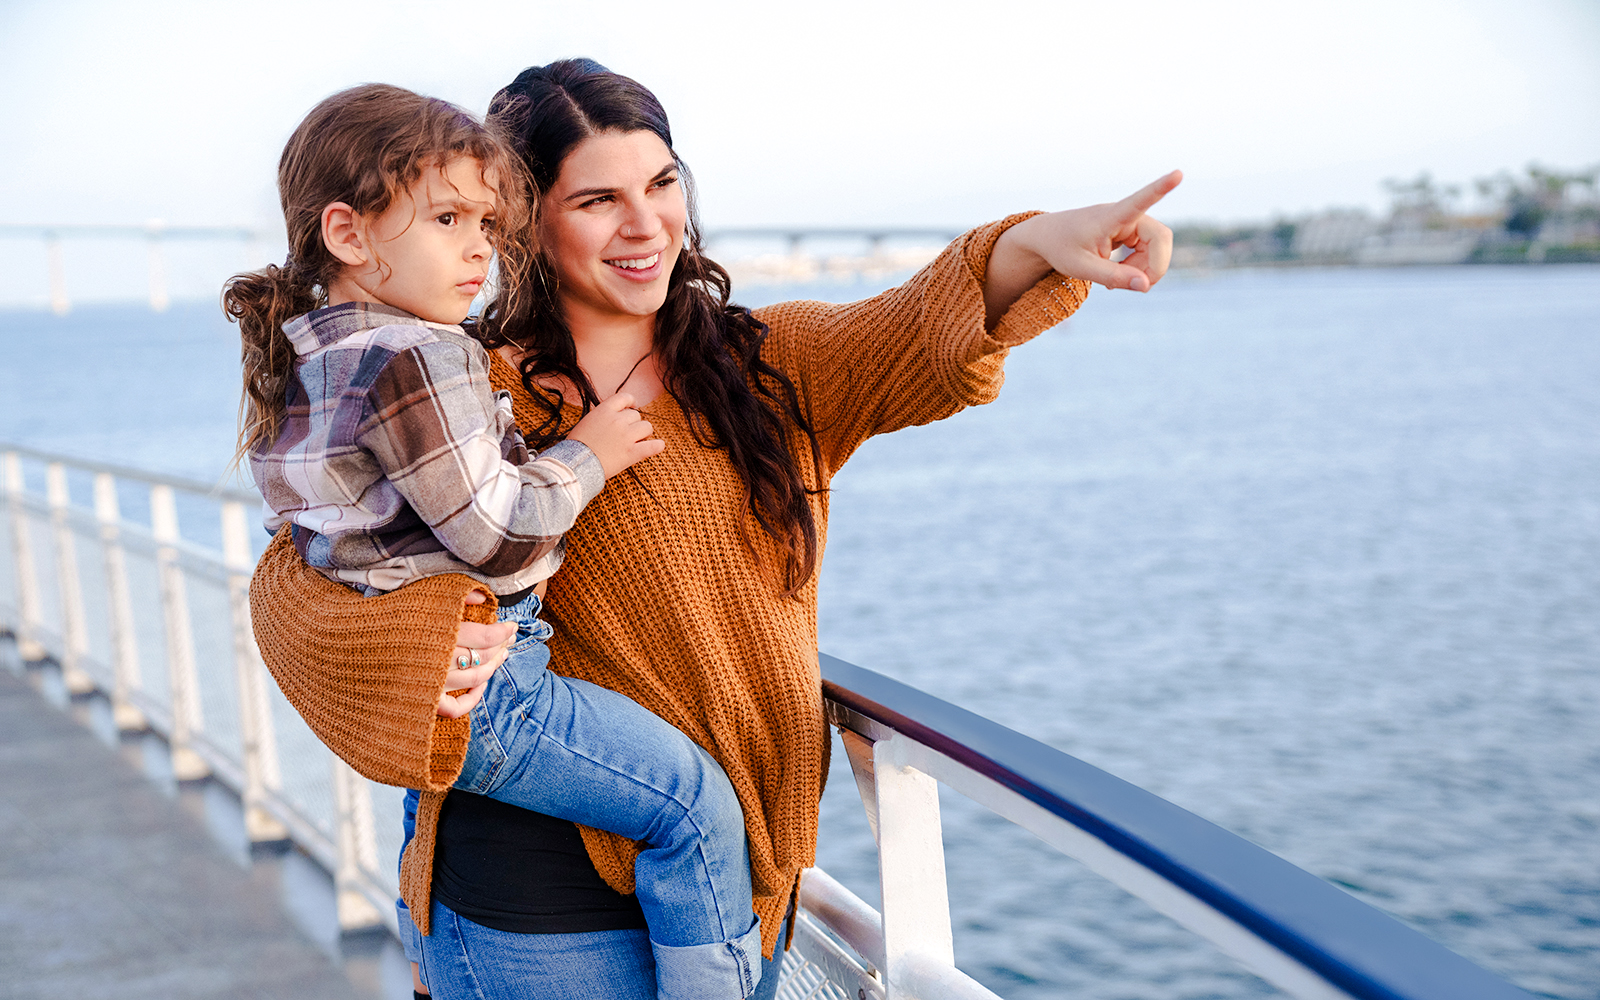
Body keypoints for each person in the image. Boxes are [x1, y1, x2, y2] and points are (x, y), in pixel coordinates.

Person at [247, 59, 1178, 1000]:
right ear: (526, 218)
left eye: (661, 184)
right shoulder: (463, 383)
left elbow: (924, 324)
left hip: (733, 882)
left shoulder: (771, 368)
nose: (646, 223)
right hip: (531, 897)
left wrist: (1045, 239)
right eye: (599, 199)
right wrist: (409, 648)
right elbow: (300, 571)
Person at [225, 83, 766, 1000]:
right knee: (693, 804)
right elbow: (498, 538)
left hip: (430, 697)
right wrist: (587, 455)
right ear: (349, 235)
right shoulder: (423, 354)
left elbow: (304, 531)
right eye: (446, 217)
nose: (479, 246)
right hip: (497, 691)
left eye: (487, 219)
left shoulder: (310, 352)